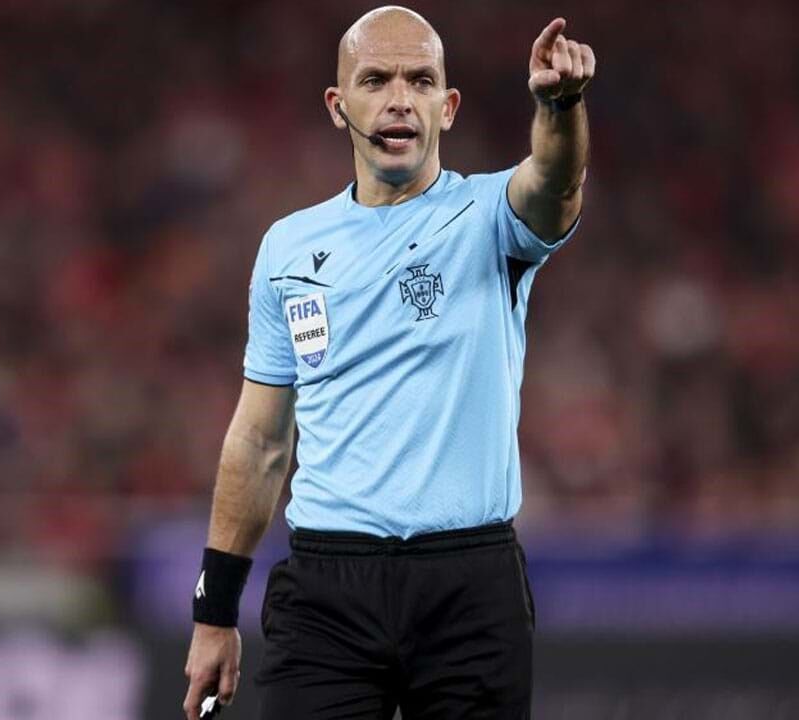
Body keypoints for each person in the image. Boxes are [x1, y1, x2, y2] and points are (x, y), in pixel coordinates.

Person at [183, 6, 594, 718]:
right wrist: (214, 611)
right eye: (375, 80)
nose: (399, 98)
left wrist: (560, 107)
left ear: (448, 107)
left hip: (467, 586)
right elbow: (260, 440)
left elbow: (555, 183)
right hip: (327, 591)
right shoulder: (288, 248)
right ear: (338, 106)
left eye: (420, 80)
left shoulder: (488, 216)